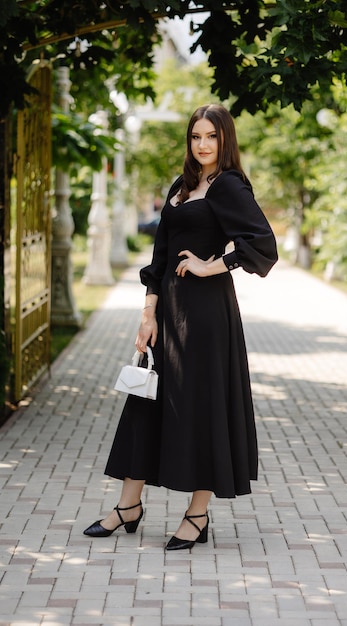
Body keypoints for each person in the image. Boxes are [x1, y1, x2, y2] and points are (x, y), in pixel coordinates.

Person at [83, 104, 278, 550]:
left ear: (225, 139)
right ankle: (127, 507)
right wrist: (147, 314)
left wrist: (215, 267)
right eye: (196, 136)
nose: (203, 144)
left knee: (202, 407)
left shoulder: (229, 185)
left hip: (207, 318)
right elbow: (160, 256)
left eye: (212, 136)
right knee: (145, 402)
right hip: (168, 314)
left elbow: (263, 245)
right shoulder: (182, 186)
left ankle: (197, 514)